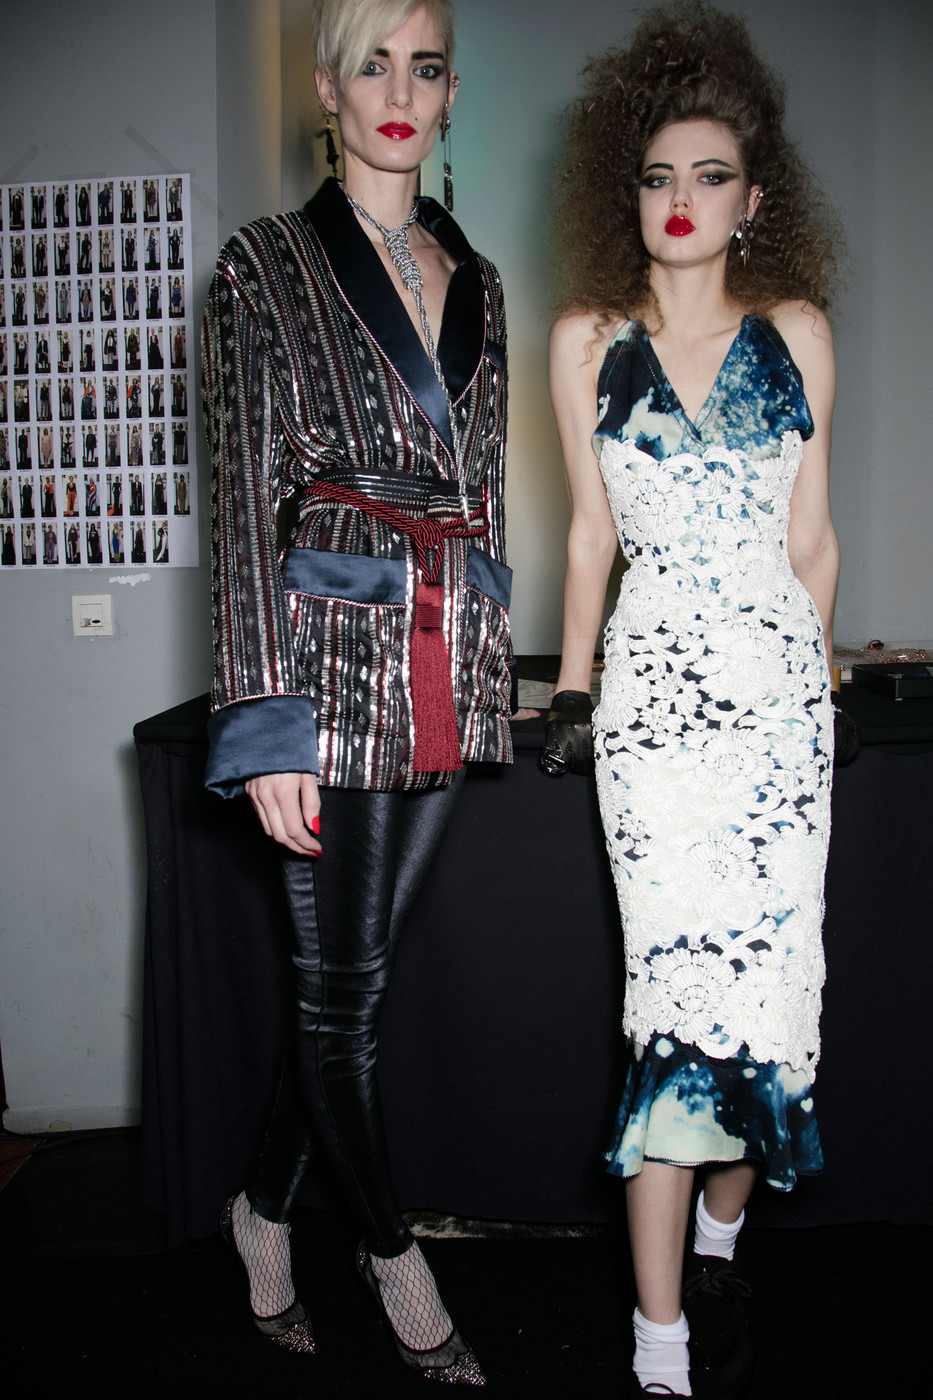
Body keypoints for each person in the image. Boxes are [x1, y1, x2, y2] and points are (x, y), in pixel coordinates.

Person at [202, 0, 510, 1384]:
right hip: (323, 664)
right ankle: (393, 1255)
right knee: (345, 1002)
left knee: (349, 988)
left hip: (444, 660)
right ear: (327, 88)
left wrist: (493, 662)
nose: (399, 89)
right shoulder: (261, 263)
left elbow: (483, 488)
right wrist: (264, 721)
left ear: (449, 94)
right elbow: (240, 500)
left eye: (424, 66)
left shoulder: (479, 277)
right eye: (372, 62)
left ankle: (260, 1210)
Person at [543, 6, 849, 1397]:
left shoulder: (797, 333)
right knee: (669, 1005)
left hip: (777, 714)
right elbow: (588, 538)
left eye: (710, 176)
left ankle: (722, 1240)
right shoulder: (585, 340)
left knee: (771, 1006)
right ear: (631, 190)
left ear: (752, 199)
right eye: (659, 175)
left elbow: (812, 542)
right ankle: (657, 1339)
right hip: (655, 721)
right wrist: (571, 688)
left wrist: (812, 689)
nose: (681, 199)